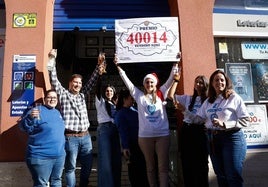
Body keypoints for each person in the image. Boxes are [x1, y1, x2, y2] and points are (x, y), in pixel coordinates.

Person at [114, 54, 180, 187]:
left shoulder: (162, 93)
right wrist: (118, 66)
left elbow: (170, 78)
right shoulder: (139, 96)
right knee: (150, 167)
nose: (149, 84)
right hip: (145, 137)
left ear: (155, 84)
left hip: (162, 135)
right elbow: (127, 82)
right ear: (144, 84)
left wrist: (176, 62)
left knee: (163, 167)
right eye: (147, 82)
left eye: (151, 82)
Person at [183, 70, 250, 187]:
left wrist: (225, 124)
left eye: (222, 80)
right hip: (213, 140)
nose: (219, 82)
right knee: (221, 175)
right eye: (216, 80)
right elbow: (198, 119)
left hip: (232, 139)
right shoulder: (209, 101)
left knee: (232, 175)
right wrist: (184, 110)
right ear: (212, 84)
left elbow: (246, 120)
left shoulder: (233, 97)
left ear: (226, 82)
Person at [48, 49, 104, 187]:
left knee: (88, 165)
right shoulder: (63, 94)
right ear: (70, 83)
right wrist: (52, 60)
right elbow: (54, 79)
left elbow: (91, 81)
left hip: (85, 136)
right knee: (70, 167)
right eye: (75, 82)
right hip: (70, 137)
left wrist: (98, 66)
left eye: (79, 82)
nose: (78, 84)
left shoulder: (82, 95)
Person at [168, 74, 209, 187]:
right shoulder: (188, 98)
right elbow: (170, 95)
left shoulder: (208, 101)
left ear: (205, 85)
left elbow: (200, 120)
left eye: (201, 82)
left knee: (201, 163)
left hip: (200, 132)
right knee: (186, 162)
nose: (198, 84)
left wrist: (185, 110)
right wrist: (176, 80)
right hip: (187, 131)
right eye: (196, 82)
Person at [19, 89, 65, 187]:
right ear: (44, 99)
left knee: (57, 181)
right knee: (41, 184)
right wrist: (30, 118)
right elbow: (23, 127)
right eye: (49, 97)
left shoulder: (57, 112)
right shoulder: (36, 111)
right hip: (41, 157)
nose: (52, 99)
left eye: (55, 97)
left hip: (59, 156)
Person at [95, 56, 122, 187]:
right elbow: (97, 87)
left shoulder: (116, 104)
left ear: (114, 92)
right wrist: (100, 75)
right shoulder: (100, 101)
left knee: (116, 159)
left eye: (111, 90)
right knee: (105, 160)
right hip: (105, 129)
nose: (108, 92)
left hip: (115, 130)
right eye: (107, 90)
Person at [115, 88, 149, 187]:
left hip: (142, 143)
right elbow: (123, 132)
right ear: (125, 99)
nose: (133, 100)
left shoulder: (134, 109)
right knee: (135, 171)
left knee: (143, 169)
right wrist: (125, 147)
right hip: (132, 145)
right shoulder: (121, 114)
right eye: (131, 98)